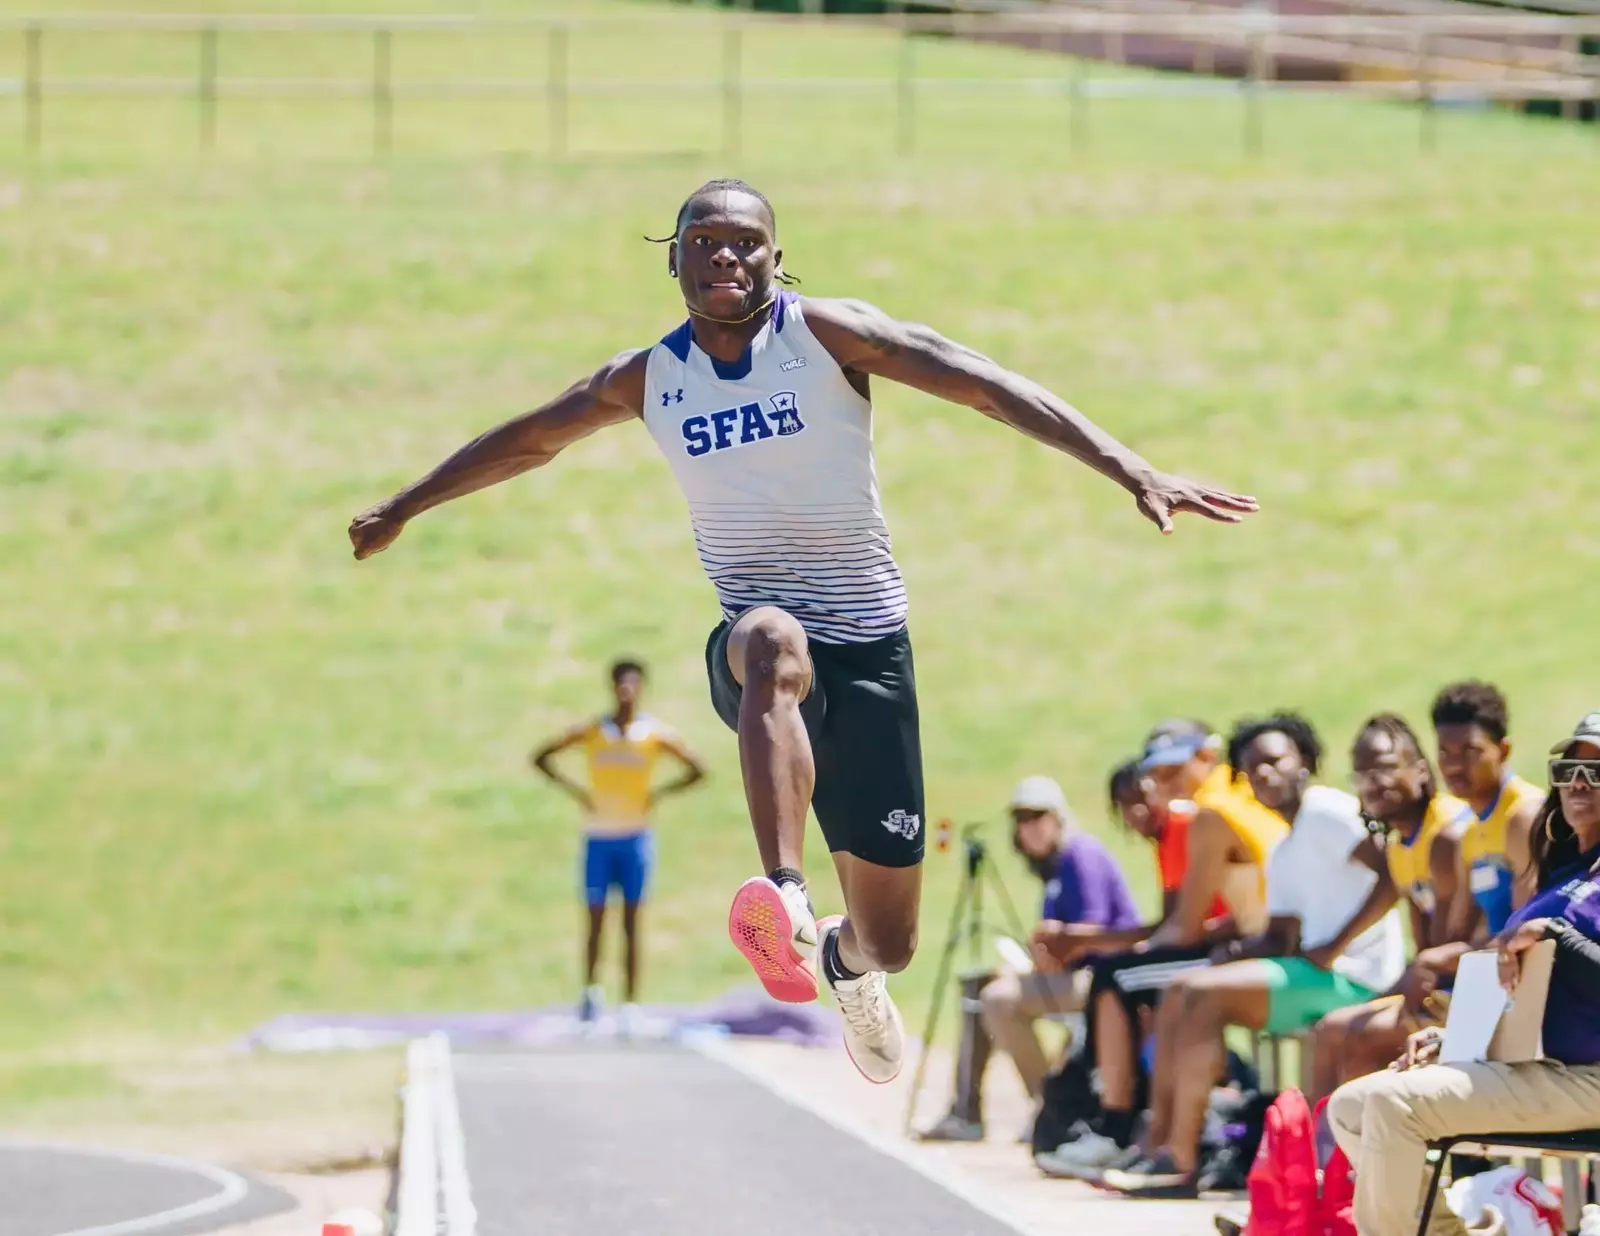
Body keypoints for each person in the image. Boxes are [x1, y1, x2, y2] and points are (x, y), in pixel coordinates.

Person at [347, 178, 1259, 1083]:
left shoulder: (827, 336)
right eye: (704, 241)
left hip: (870, 650)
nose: (725, 256)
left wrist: (1130, 466)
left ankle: (842, 963)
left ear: (777, 259)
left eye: (746, 242)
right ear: (675, 263)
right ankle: (784, 893)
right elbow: (529, 441)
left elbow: (978, 383)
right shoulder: (650, 378)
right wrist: (404, 506)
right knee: (776, 642)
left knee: (891, 940)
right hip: (756, 645)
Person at [1095, 714, 1405, 1197]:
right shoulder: (1283, 847)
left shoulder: (1325, 810)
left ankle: (1180, 1161)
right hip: (1311, 973)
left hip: (1360, 978)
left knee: (1199, 994)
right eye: (1250, 768)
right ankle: (1158, 1145)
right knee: (1184, 988)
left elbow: (1392, 875)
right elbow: (1279, 935)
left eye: (1273, 760)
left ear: (1304, 760)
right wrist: (1229, 953)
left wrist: (1337, 944)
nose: (1262, 774)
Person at [1328, 711, 1600, 1236]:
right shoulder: (1562, 875)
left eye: (1597, 771)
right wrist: (1459, 1037)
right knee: (1352, 1105)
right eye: (1568, 771)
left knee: (1391, 1103)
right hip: (1541, 1067)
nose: (1579, 783)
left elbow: (1561, 955)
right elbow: (1529, 992)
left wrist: (1557, 938)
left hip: (1589, 1078)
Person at [1038, 719, 1288, 1176]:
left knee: (1119, 977)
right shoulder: (1223, 803)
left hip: (1261, 949)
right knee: (1151, 984)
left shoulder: (1207, 813)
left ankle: (1120, 1126)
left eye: (1174, 771)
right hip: (1260, 942)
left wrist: (1132, 950)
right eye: (1160, 775)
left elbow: (1187, 926)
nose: (1164, 785)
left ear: (1208, 757)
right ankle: (1158, 1138)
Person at [919, 775, 1140, 1141]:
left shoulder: (1080, 855)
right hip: (1076, 973)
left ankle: (1051, 1105)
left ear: (1058, 817)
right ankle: (966, 1110)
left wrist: (1053, 952)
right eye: (1021, 819)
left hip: (1108, 977)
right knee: (978, 984)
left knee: (999, 1000)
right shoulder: (1053, 866)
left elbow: (1093, 934)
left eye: (1037, 817)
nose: (1029, 828)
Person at [1305, 715, 1473, 1102]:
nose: (1372, 783)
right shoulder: (1399, 846)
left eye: (1383, 768)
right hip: (1440, 983)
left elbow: (1447, 945)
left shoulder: (1447, 831)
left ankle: (1365, 1155)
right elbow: (1422, 941)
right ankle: (1322, 1156)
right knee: (1331, 1029)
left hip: (1468, 985)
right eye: (1362, 774)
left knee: (1357, 1037)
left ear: (1419, 769)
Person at [531, 659, 706, 1026]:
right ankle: (590, 995)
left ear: (642, 688)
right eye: (621, 684)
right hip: (599, 836)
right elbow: (542, 756)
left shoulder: (653, 734)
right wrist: (578, 791)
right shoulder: (595, 731)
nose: (627, 691)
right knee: (595, 919)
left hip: (636, 837)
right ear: (612, 688)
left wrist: (658, 794)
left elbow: (696, 769)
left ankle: (629, 1005)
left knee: (631, 920)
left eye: (633, 684)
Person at [1431, 680, 1544, 938]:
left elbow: (1528, 931)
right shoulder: (1469, 834)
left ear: (1503, 751)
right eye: (1445, 753)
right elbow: (1460, 929)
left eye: (1470, 751)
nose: (1454, 766)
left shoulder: (1525, 815)